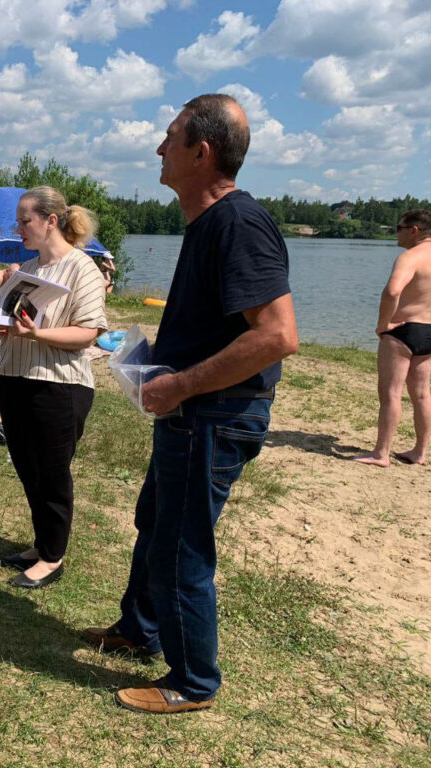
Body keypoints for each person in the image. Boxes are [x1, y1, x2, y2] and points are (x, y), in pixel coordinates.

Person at [81, 94, 298, 715]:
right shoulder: (208, 224)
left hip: (213, 417)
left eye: (169, 137)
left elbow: (278, 335)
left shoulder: (239, 224)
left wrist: (178, 385)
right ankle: (138, 631)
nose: (158, 148)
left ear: (201, 152)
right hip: (191, 414)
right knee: (157, 523)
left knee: (182, 545)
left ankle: (192, 682)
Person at [0, 186, 108, 591]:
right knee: (28, 468)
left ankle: (52, 557)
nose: (19, 229)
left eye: (24, 221)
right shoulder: (27, 269)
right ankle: (41, 544)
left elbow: (88, 333)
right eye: (18, 221)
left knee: (51, 473)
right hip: (14, 379)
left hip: (59, 387)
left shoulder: (82, 268)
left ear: (51, 220)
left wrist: (37, 334)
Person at [355, 209, 431, 467]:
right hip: (429, 331)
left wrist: (383, 324)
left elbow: (392, 291)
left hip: (403, 331)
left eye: (399, 228)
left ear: (415, 230)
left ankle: (381, 453)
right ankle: (420, 452)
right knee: (422, 394)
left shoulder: (409, 257)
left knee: (391, 392)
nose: (395, 232)